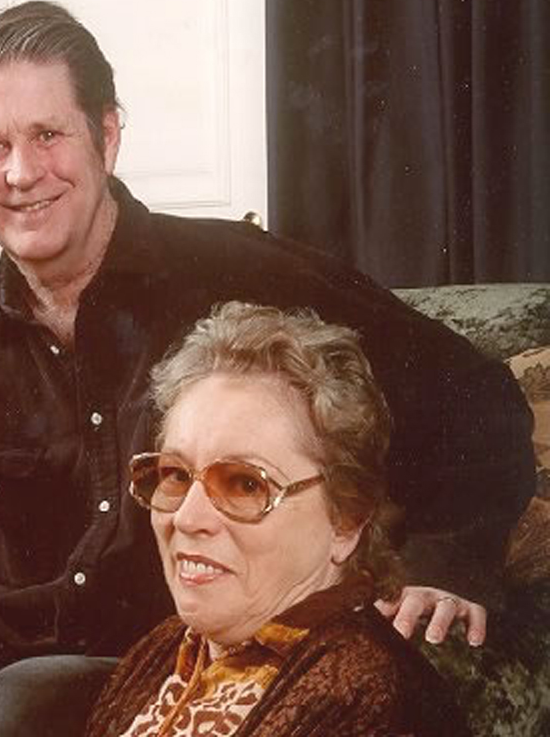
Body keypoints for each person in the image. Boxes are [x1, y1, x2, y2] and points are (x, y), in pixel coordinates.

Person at [0, 0, 533, 737]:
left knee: (20, 703)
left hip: (172, 674)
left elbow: (473, 399)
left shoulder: (247, 277)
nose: (22, 174)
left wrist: (446, 559)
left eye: (47, 135)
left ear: (106, 135)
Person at [85, 301, 471, 737]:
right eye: (176, 475)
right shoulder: (167, 647)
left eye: (245, 484)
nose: (188, 519)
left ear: (346, 519)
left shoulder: (361, 690)